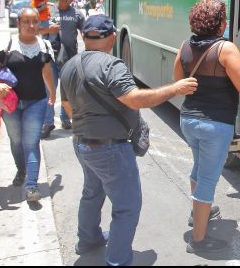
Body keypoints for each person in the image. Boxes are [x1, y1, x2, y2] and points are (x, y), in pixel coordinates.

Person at [59, 14, 198, 266]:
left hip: (81, 143)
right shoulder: (112, 66)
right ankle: (117, 260)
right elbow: (134, 99)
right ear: (112, 37)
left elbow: (67, 107)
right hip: (109, 149)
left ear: (83, 36)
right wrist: (174, 89)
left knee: (92, 192)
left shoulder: (69, 65)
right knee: (127, 207)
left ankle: (87, 239)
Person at [173, 0, 240, 254]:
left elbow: (178, 81)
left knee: (199, 168)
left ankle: (198, 215)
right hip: (215, 126)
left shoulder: (184, 46)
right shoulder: (225, 49)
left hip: (188, 120)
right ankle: (199, 241)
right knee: (207, 180)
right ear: (222, 24)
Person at [0, 6, 56, 202]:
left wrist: (53, 92)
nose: (31, 25)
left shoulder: (44, 46)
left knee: (31, 142)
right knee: (16, 140)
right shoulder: (7, 44)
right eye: (26, 21)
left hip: (37, 101)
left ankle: (32, 186)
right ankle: (21, 170)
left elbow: (47, 72)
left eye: (35, 21)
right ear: (18, 23)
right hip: (10, 103)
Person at [40, 0, 84, 137]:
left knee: (68, 90)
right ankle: (48, 123)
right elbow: (35, 30)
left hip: (69, 58)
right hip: (49, 57)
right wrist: (47, 30)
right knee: (48, 90)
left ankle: (66, 119)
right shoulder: (46, 11)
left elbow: (84, 32)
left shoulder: (77, 14)